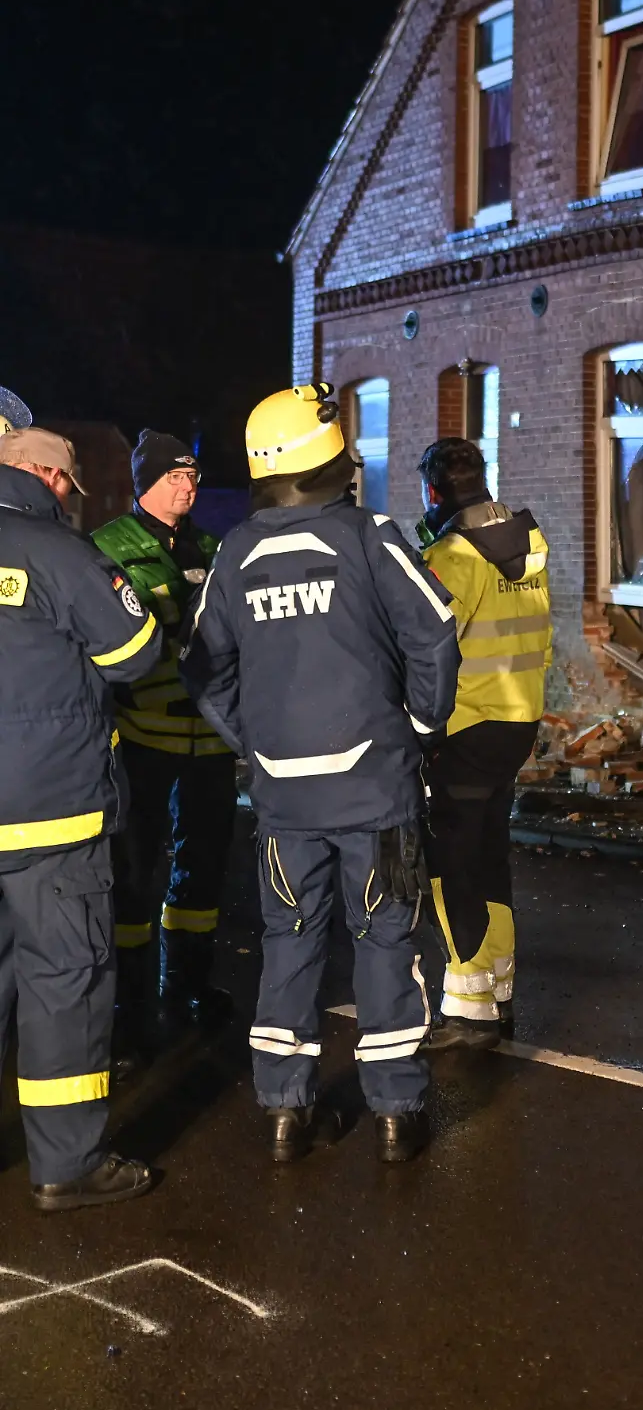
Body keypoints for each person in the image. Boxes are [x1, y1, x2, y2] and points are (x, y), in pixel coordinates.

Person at [181, 383, 459, 1164]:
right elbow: (435, 637)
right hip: (379, 794)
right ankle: (398, 1114)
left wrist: (256, 738)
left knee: (288, 943)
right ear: (331, 461)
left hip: (281, 798)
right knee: (385, 940)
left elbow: (201, 672)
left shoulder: (235, 554)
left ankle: (283, 1112)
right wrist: (419, 728)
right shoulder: (372, 537)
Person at [0, 427, 163, 1210]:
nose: (69, 496)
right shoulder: (55, 551)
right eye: (67, 484)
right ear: (43, 476)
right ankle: (66, 1163)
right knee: (64, 982)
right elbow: (135, 650)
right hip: (50, 819)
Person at [92, 431, 234, 1046]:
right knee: (134, 870)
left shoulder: (213, 545)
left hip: (210, 741)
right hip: (142, 741)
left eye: (194, 478)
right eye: (175, 478)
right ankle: (129, 1002)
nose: (188, 487)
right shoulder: (106, 548)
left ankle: (188, 986)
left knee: (202, 872)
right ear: (144, 483)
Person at [416, 438, 552, 1050]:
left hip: (466, 727)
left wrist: (420, 725)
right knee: (492, 854)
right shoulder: (530, 543)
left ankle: (469, 1010)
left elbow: (428, 651)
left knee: (454, 865)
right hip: (517, 721)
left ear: (434, 491)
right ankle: (498, 991)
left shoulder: (452, 556)